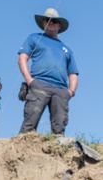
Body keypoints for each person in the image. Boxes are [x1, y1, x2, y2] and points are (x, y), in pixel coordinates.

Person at [18, 8, 78, 136]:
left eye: (54, 20)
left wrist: (70, 92)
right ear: (43, 23)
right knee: (30, 122)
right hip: (39, 84)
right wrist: (30, 80)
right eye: (47, 20)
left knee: (59, 128)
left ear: (59, 25)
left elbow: (73, 74)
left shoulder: (67, 49)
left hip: (61, 90)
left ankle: (57, 150)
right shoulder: (34, 38)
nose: (50, 22)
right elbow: (22, 58)